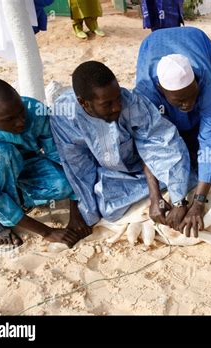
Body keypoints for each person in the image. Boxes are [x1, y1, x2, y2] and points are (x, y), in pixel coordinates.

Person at [51, 61, 192, 232]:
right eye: (107, 104)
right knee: (108, 209)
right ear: (84, 103)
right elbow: (78, 166)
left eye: (118, 97)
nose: (117, 106)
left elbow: (159, 148)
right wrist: (87, 216)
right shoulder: (64, 116)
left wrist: (175, 201)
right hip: (112, 175)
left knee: (186, 177)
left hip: (147, 168)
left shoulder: (133, 103)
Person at [134, 27, 211, 238]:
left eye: (192, 96)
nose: (189, 104)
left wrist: (198, 203)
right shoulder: (147, 90)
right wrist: (155, 197)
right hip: (152, 45)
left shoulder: (206, 82)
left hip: (195, 39)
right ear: (162, 91)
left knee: (200, 151)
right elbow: (148, 141)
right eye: (180, 101)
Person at [0, 78, 91, 247]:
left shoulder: (33, 110)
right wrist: (47, 232)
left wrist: (75, 213)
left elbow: (63, 157)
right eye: (10, 119)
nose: (21, 122)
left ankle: (17, 203)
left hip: (28, 167)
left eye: (21, 112)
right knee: (1, 153)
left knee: (63, 184)